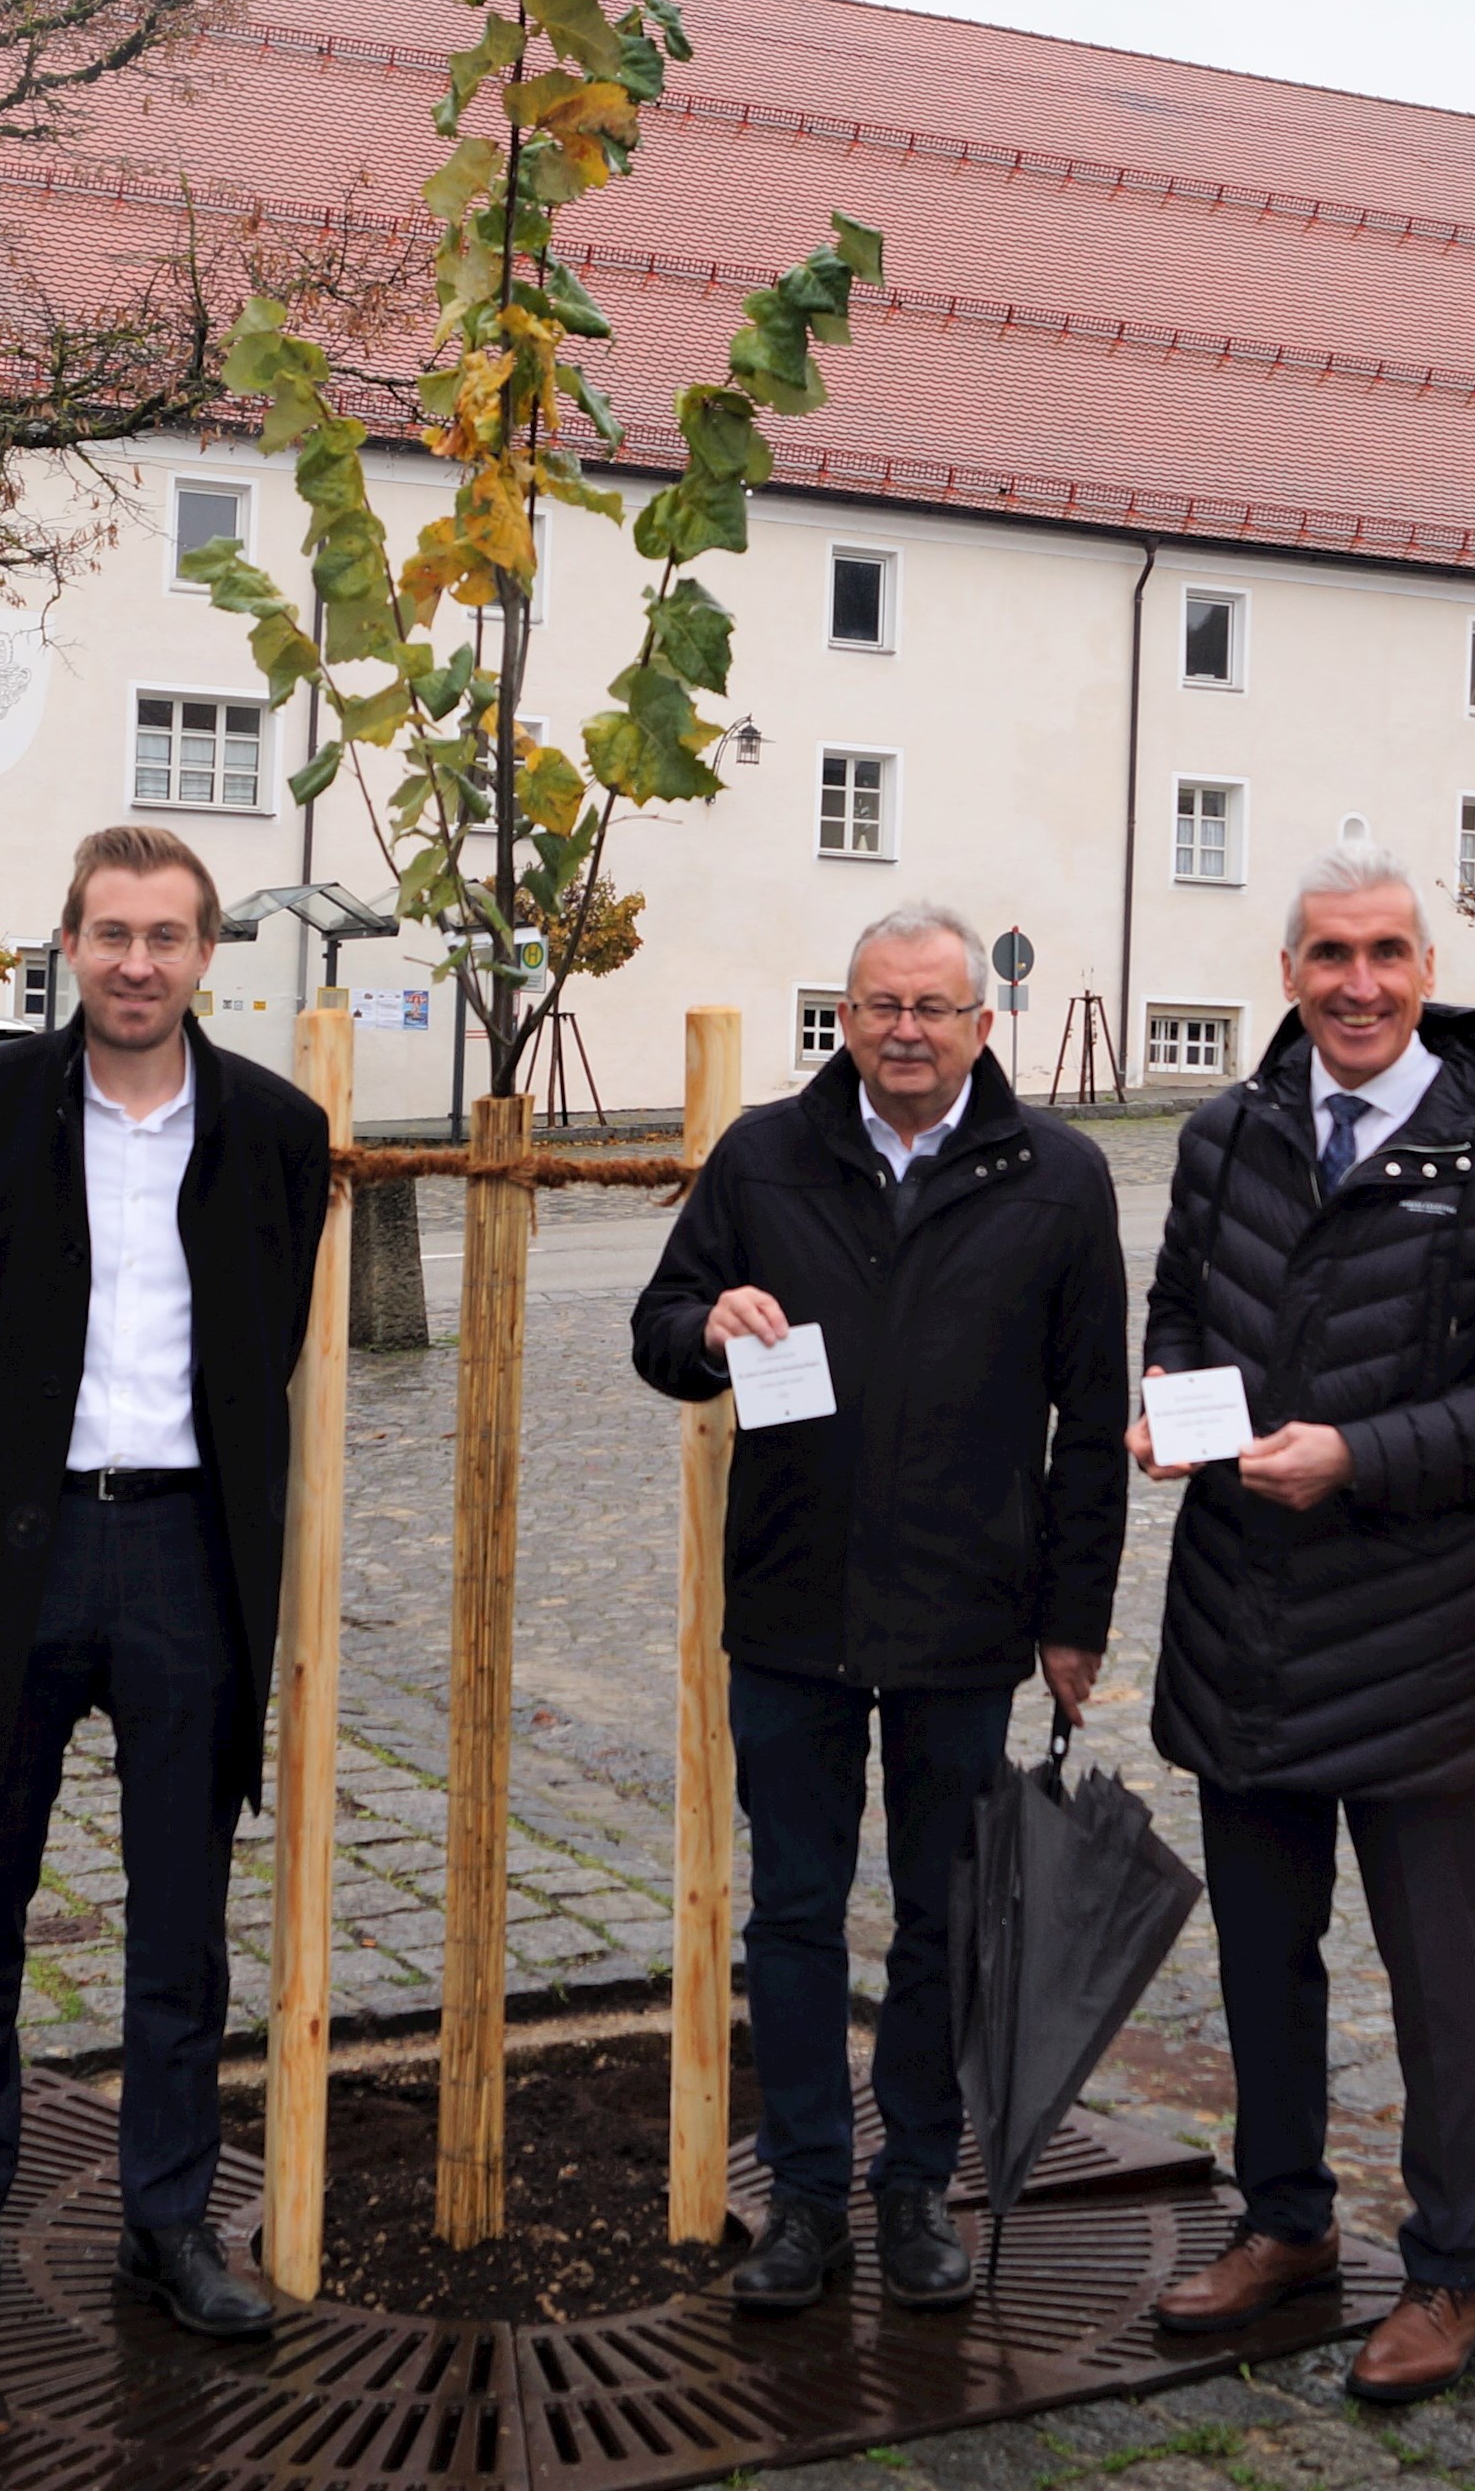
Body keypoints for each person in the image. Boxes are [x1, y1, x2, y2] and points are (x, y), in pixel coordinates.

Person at [1131, 841, 1475, 2404]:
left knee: (1432, 1967)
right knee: (1265, 1955)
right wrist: (1171, 1405)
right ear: (1288, 975)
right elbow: (1183, 1308)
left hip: (1422, 1628)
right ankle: (1286, 2224)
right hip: (1244, 1615)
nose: (1359, 982)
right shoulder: (1227, 1132)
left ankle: (1450, 2271)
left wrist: (1357, 1458)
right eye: (1329, 954)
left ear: (1426, 972)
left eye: (1388, 953)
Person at [631, 903, 1130, 2314]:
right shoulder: (765, 1154)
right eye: (876, 1004)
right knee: (790, 1912)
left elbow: (1091, 1421)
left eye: (931, 1005)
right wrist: (706, 1327)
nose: (903, 1029)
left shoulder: (1058, 1176)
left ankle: (914, 2182)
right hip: (790, 1603)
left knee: (944, 1916)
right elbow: (660, 1329)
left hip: (966, 1617)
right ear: (840, 1016)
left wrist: (1072, 1616)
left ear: (982, 1021)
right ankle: (802, 2195)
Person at [0, 826, 331, 2348]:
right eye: (110, 933)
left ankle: (167, 2217)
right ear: (68, 944)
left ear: (209, 953)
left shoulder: (278, 1128)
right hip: (20, 1545)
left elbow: (264, 1338)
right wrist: (15, 1472)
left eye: (167, 935)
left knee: (181, 1917)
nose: (137, 962)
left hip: (190, 1555)